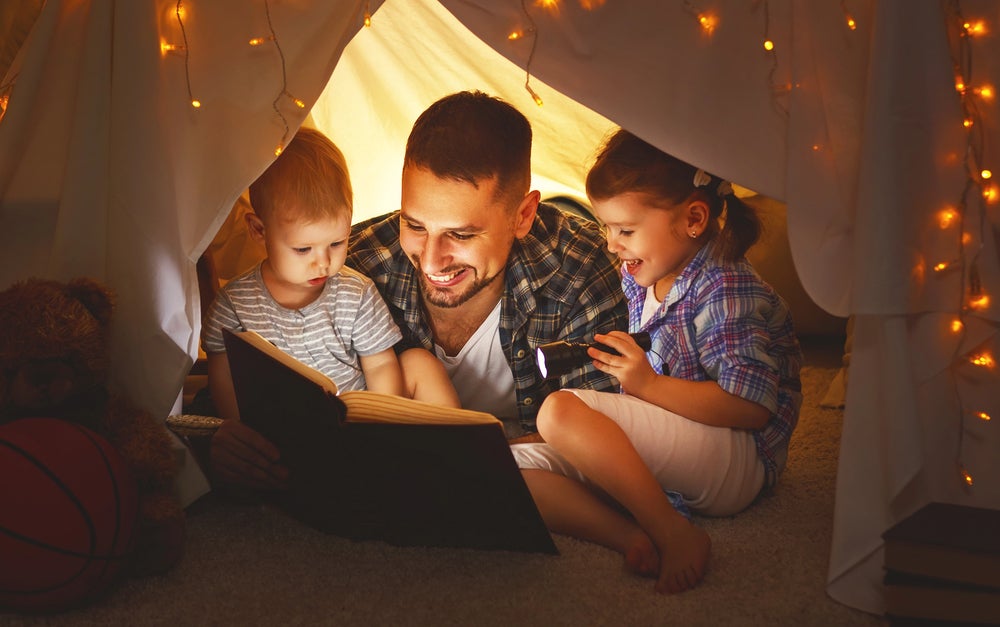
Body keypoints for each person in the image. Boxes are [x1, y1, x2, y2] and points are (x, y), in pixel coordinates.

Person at [516, 129, 803, 594]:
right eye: (607, 227)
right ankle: (631, 534)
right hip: (680, 441)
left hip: (737, 457)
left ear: (693, 218)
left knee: (559, 410)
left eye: (625, 230)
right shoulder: (641, 277)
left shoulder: (724, 287)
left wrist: (647, 386)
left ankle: (673, 531)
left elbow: (752, 407)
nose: (612, 244)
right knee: (513, 470)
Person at [346, 91, 628, 440]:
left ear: (522, 216)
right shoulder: (354, 269)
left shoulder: (580, 270)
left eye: (461, 235)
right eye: (415, 225)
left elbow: (602, 436)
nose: (431, 260)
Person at [202, 126, 459, 489]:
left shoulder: (355, 293)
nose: (322, 263)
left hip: (356, 423)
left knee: (419, 364)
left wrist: (378, 425)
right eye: (304, 249)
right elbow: (223, 375)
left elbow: (382, 363)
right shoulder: (235, 304)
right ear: (259, 231)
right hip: (283, 432)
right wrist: (240, 430)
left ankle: (456, 458)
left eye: (337, 243)